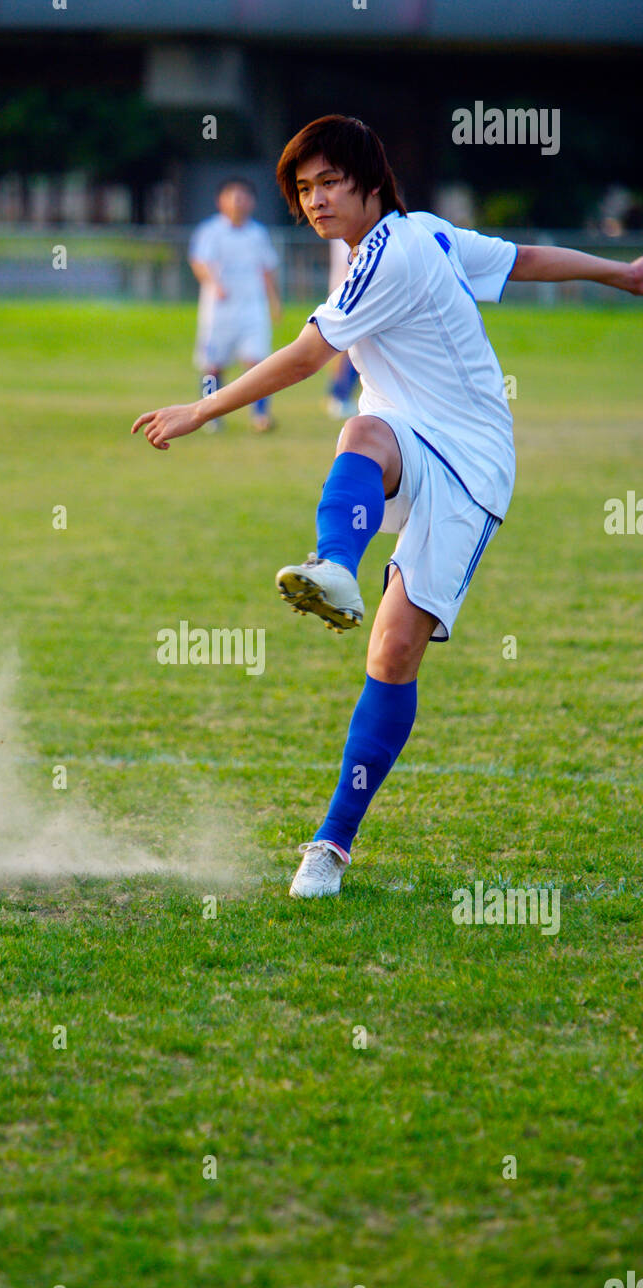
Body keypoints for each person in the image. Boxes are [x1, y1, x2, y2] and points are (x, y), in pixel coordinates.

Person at [132, 115, 643, 898]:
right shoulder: (423, 237)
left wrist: (199, 411)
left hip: (471, 462)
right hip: (405, 439)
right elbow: (525, 257)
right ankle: (335, 566)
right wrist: (622, 273)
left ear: (373, 183)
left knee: (393, 653)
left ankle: (333, 843)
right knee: (363, 427)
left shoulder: (398, 249)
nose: (315, 200)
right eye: (304, 189)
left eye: (330, 182)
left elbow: (308, 356)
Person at [189, 177, 281, 433]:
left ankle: (260, 415)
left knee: (258, 363)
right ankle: (209, 414)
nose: (239, 202)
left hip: (252, 309)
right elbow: (199, 262)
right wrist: (214, 284)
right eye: (233, 196)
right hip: (219, 312)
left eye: (244, 197)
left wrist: (274, 302)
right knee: (213, 365)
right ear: (221, 201)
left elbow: (267, 269)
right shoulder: (211, 231)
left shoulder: (258, 233)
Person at [325, 238, 360, 418]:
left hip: (340, 293)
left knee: (343, 351)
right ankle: (340, 396)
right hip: (349, 296)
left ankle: (336, 395)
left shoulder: (341, 234)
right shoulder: (352, 234)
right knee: (355, 350)